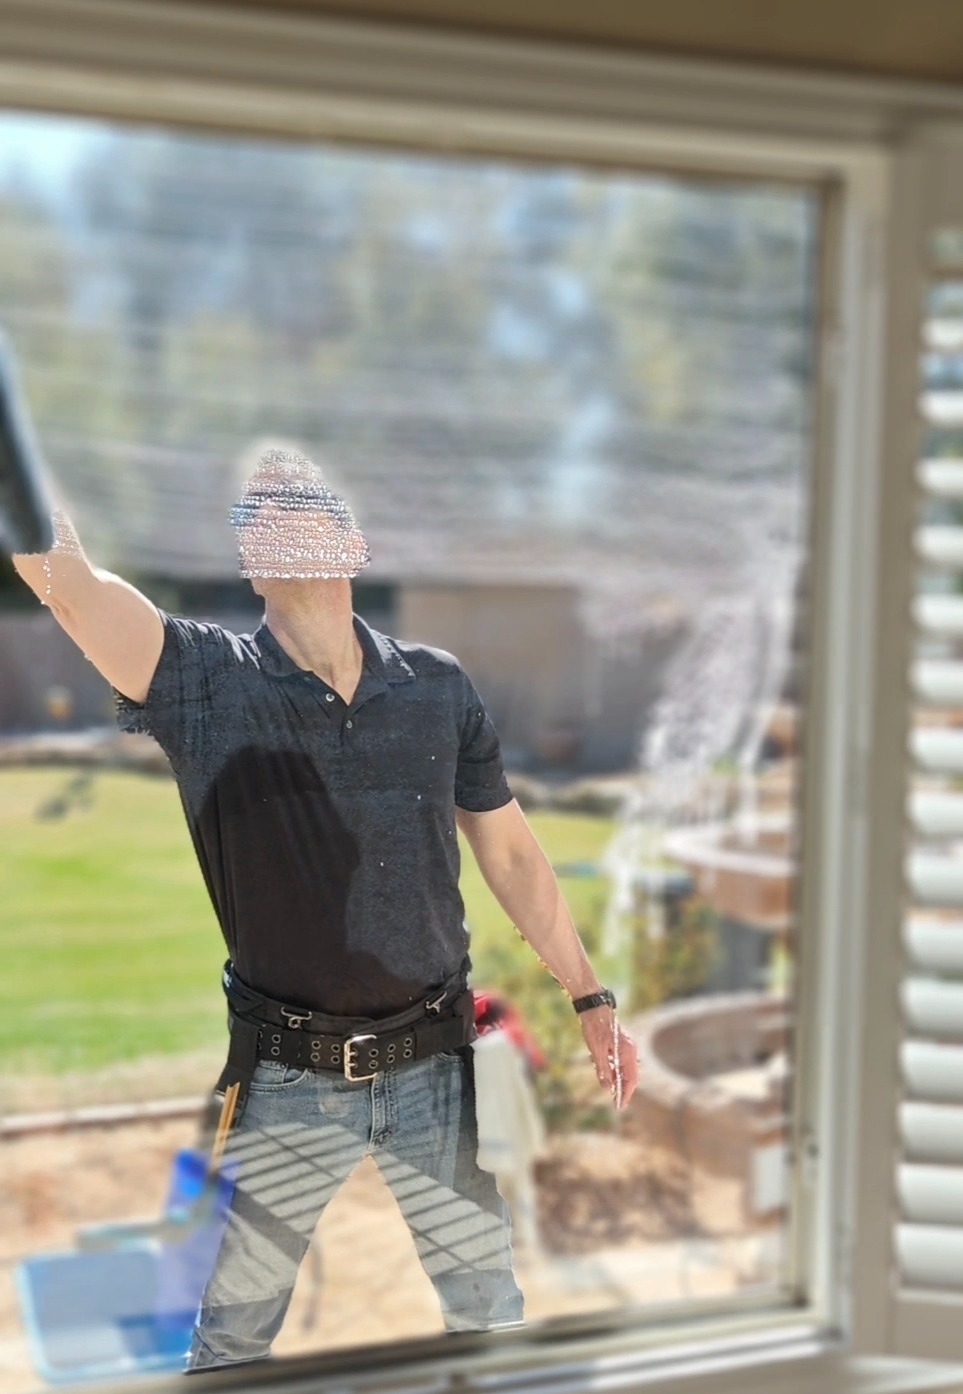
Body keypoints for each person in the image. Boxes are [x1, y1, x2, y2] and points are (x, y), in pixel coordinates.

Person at [11, 444, 638, 1369]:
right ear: (247, 559)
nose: (278, 514)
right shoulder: (200, 678)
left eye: (304, 500)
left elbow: (508, 851)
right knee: (234, 1333)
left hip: (432, 1055)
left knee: (486, 1306)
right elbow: (63, 581)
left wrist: (589, 997)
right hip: (289, 1076)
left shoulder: (436, 686)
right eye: (255, 510)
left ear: (355, 539)